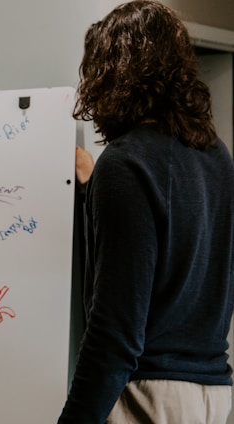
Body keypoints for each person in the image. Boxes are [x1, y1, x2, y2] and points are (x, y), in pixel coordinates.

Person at [59, 1, 234, 423]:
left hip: (150, 396)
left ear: (111, 74)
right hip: (213, 394)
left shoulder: (126, 164)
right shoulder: (215, 156)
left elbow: (115, 331)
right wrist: (93, 184)